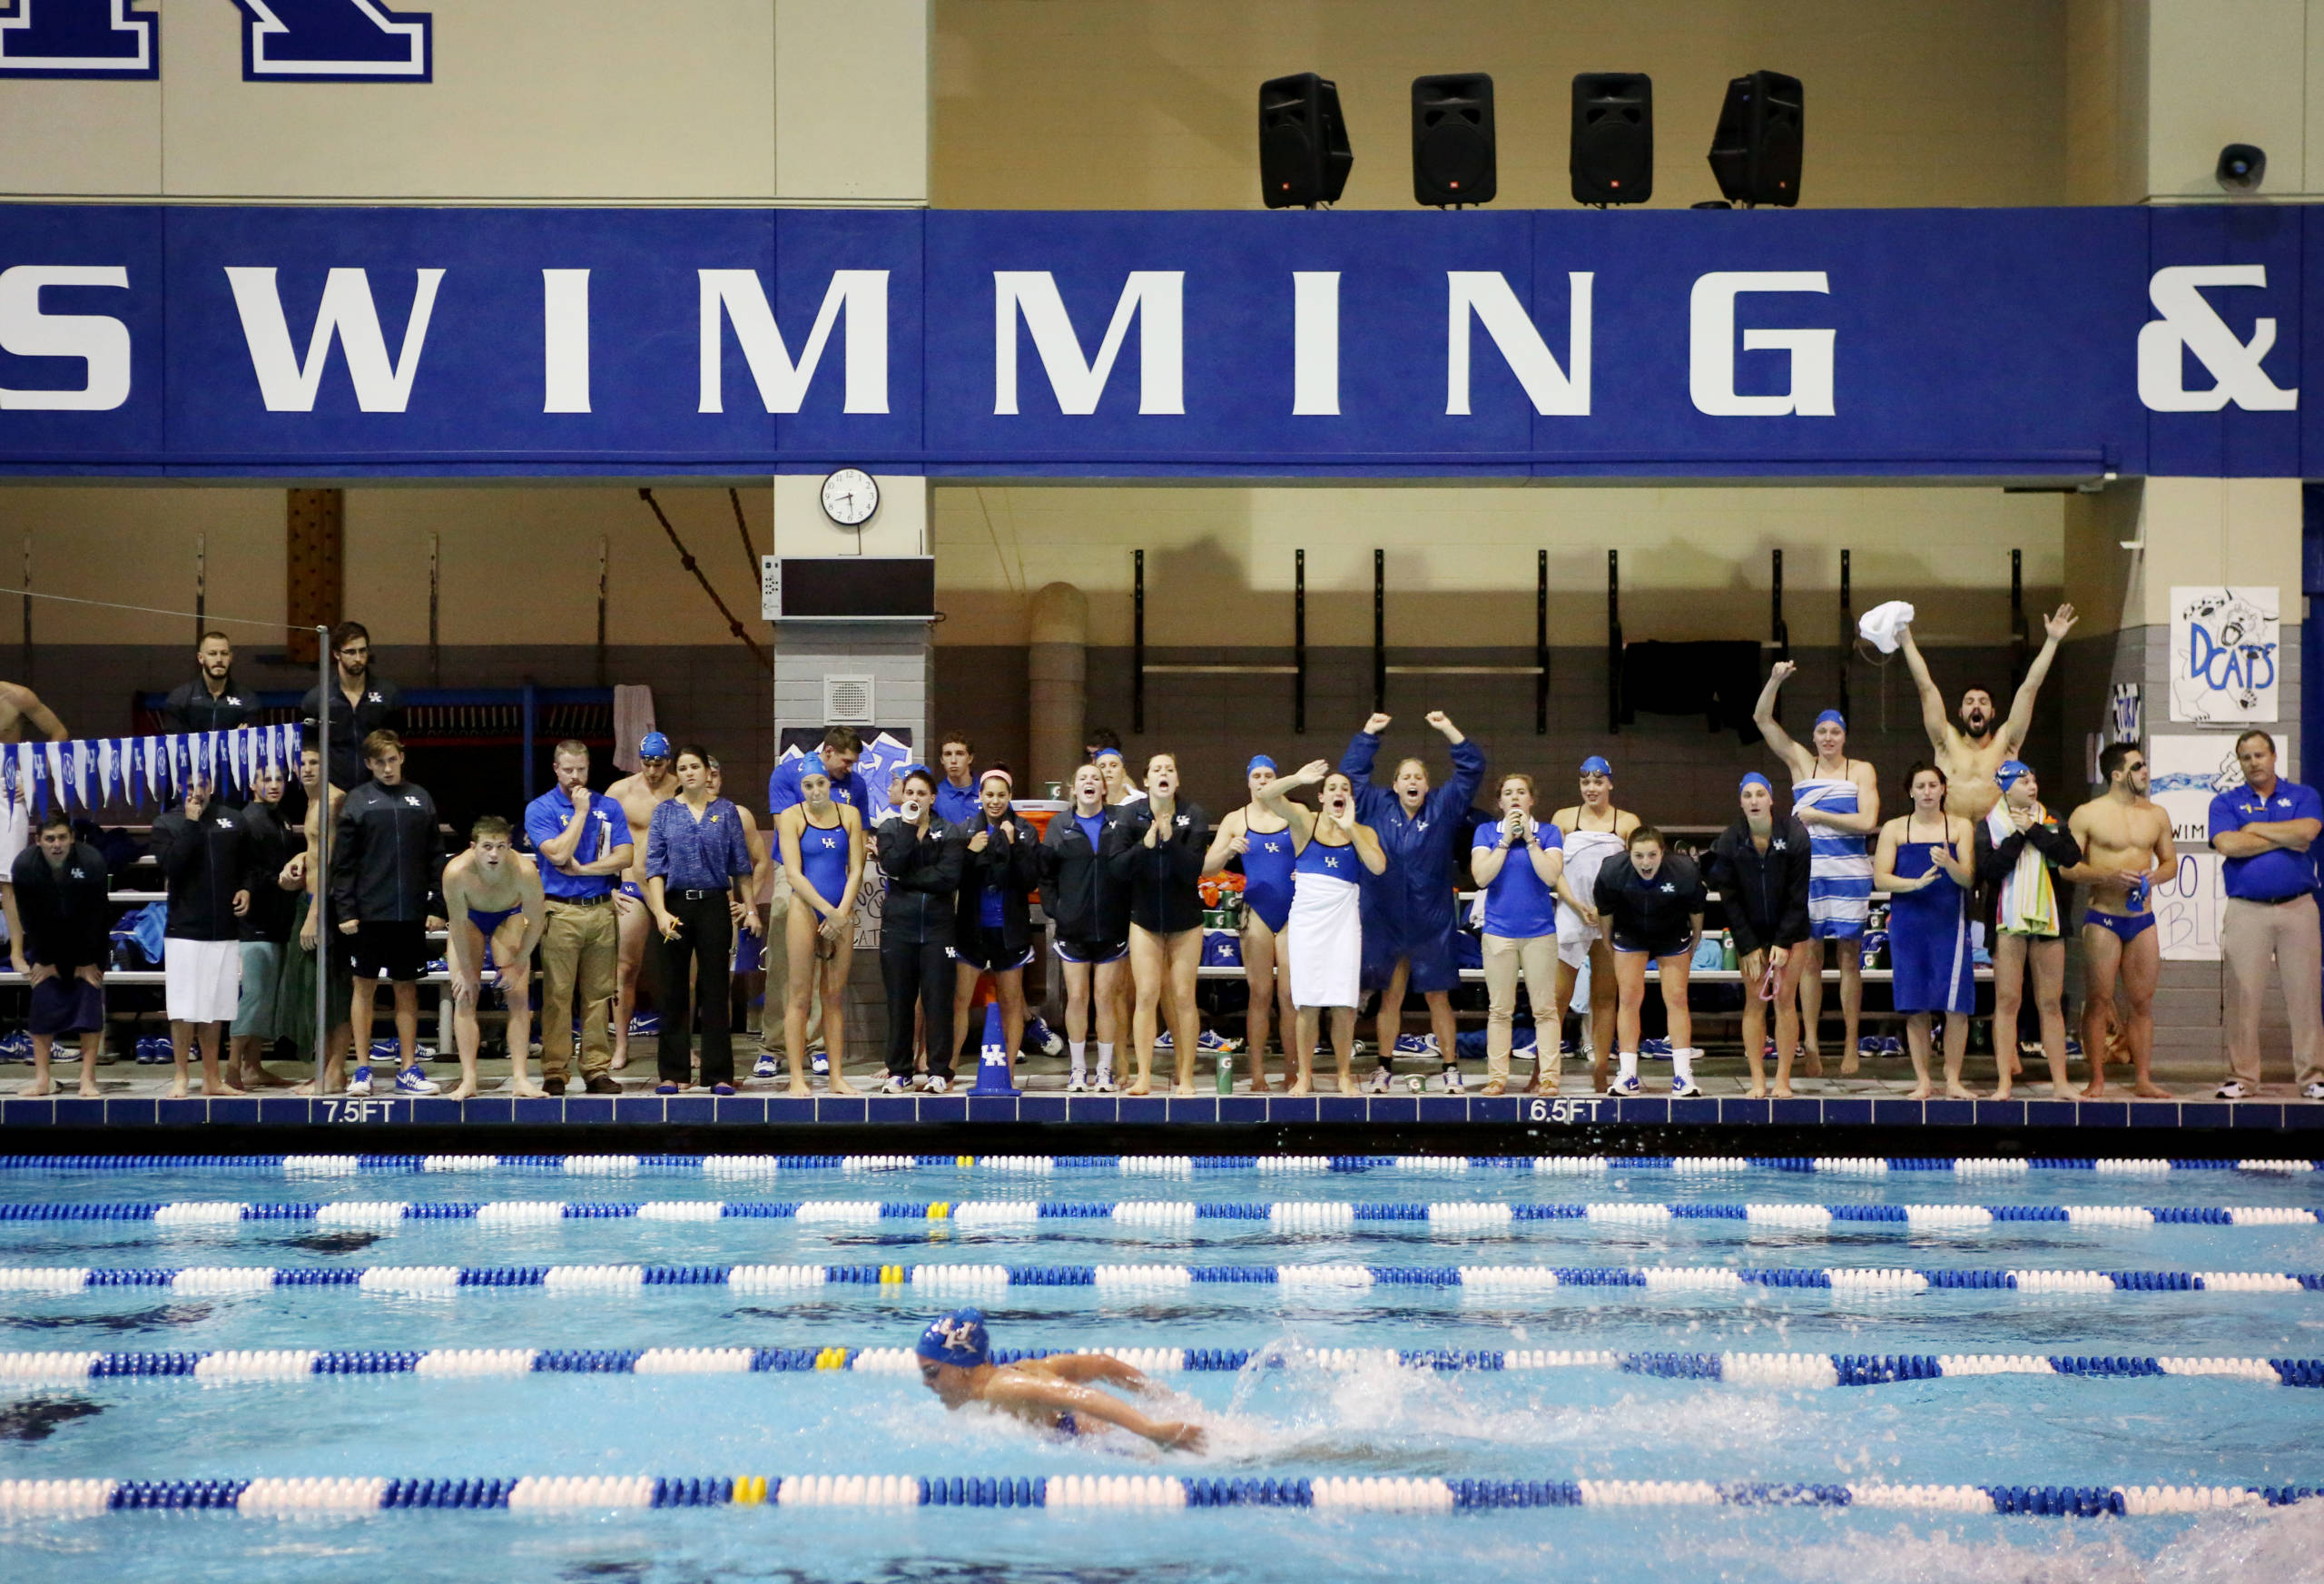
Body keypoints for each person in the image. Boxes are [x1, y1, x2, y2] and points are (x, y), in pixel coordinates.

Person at [1341, 710, 1485, 1093]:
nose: (1412, 781)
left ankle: (1451, 1068)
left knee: (1439, 998)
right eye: (1405, 776)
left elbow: (1473, 768)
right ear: (1394, 785)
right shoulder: (1374, 805)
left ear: (1427, 785)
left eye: (1418, 777)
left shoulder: (1443, 807)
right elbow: (1350, 778)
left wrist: (1447, 729)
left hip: (1430, 921)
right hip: (1384, 919)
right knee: (1391, 997)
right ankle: (1383, 1067)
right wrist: (1369, 734)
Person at [1752, 664, 1879, 1076]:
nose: (1828, 738)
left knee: (1849, 959)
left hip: (1848, 872)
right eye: (1822, 731)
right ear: (1814, 737)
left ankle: (1849, 1045)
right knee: (1808, 960)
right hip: (1807, 873)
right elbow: (1761, 719)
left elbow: (1866, 823)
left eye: (1836, 732)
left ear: (1844, 737)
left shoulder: (1860, 770)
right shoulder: (1801, 764)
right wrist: (1774, 680)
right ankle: (1809, 1042)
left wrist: (1816, 813)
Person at [1253, 760, 1386, 1096]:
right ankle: (1305, 1075)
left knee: (1343, 1002)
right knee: (1308, 1002)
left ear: (1350, 799)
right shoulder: (1305, 821)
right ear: (1322, 797)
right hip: (1308, 920)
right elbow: (1267, 795)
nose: (1339, 792)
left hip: (1343, 918)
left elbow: (1378, 867)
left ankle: (1344, 1074)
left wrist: (1351, 827)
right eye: (1332, 788)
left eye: (1345, 789)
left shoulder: (1364, 832)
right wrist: (1297, 776)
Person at [2209, 730, 2324, 1100]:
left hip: (2298, 907)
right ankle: (2242, 1077)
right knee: (2243, 995)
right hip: (2246, 910)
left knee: (2305, 995)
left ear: (2274, 757)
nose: (2253, 762)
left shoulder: (2303, 795)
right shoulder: (2225, 802)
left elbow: (2307, 832)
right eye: (2246, 757)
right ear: (2238, 762)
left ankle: (2313, 1077)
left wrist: (2255, 829)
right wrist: (2284, 836)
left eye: (2260, 755)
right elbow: (2227, 843)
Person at [913, 1309, 1205, 1451]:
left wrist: (1152, 1430)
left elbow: (1081, 1397)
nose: (927, 1384)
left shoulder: (1003, 1388)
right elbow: (1102, 1364)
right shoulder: (1019, 1369)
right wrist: (1167, 1401)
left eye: (932, 1372)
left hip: (1115, 1445)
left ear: (962, 1366)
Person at [330, 730, 443, 1098]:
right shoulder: (357, 802)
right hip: (367, 914)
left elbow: (435, 858)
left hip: (409, 913)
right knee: (363, 988)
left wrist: (436, 905)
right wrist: (346, 910)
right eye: (380, 762)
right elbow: (342, 864)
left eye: (392, 760)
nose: (387, 767)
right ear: (368, 764)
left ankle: (408, 1068)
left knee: (406, 990)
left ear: (402, 758)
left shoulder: (420, 798)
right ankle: (362, 1069)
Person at [646, 746, 759, 1096]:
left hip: (714, 903)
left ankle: (718, 1074)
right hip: (675, 905)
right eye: (683, 767)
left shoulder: (725, 812)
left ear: (708, 772)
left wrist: (751, 909)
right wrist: (660, 912)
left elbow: (741, 866)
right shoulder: (664, 813)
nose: (689, 772)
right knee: (674, 989)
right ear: (676, 774)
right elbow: (654, 867)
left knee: (715, 990)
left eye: (695, 766)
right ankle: (674, 1073)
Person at [2065, 743, 2175, 1099]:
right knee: (2098, 999)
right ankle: (2096, 1078)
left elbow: (2169, 861)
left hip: (2142, 919)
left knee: (2142, 1002)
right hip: (2104, 918)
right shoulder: (2087, 814)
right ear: (2117, 774)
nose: (2145, 772)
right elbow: (2067, 868)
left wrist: (2156, 877)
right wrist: (2106, 876)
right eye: (2138, 766)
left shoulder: (2157, 814)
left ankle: (2142, 1078)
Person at [523, 740, 633, 1097]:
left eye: (581, 770)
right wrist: (581, 813)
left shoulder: (610, 806)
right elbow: (555, 854)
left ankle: (595, 1069)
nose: (575, 777)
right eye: (568, 770)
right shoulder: (541, 808)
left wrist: (585, 870)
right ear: (556, 769)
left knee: (599, 996)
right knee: (557, 995)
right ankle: (555, 1070)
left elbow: (625, 855)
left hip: (601, 910)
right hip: (560, 911)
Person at [1897, 605, 2076, 821]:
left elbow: (2030, 687)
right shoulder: (1945, 741)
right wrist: (1906, 640)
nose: (1976, 706)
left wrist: (2052, 641)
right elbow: (1925, 687)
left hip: (1995, 839)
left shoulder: (2007, 742)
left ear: (1992, 713)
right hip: (1954, 833)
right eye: (1969, 702)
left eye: (1983, 702)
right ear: (1960, 712)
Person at [1974, 760, 2081, 1099]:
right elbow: (1990, 870)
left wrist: (2034, 829)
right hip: (2008, 920)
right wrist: (2018, 835)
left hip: (2048, 918)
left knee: (2050, 1001)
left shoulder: (2051, 819)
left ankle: (2060, 1082)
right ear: (2005, 787)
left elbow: (2071, 856)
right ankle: (2004, 1080)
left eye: (2033, 780)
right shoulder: (1988, 825)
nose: (2032, 787)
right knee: (2007, 1000)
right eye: (2023, 782)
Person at [1874, 763, 1980, 1101]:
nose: (1927, 792)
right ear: (1911, 792)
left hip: (1948, 923)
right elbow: (1880, 878)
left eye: (1933, 785)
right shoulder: (1894, 829)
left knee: (1955, 1007)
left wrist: (1950, 864)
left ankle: (1953, 1079)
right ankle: (1923, 1080)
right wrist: (1914, 883)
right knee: (1915, 1005)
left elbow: (1969, 879)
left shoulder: (1960, 827)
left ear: (1944, 789)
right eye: (1920, 786)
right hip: (1909, 923)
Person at [1707, 774, 1813, 1098]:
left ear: (1771, 800)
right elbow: (1729, 898)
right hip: (1750, 931)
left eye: (1760, 794)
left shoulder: (1794, 834)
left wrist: (1783, 941)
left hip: (1791, 930)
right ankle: (1757, 1079)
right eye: (1748, 795)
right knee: (1754, 1002)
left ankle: (1782, 1079)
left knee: (1784, 1001)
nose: (1754, 800)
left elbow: (1799, 895)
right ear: (1740, 802)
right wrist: (1749, 945)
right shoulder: (1730, 840)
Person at [1109, 752, 1206, 1096]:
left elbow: (1194, 868)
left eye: (1170, 769)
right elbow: (1117, 868)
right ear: (1147, 781)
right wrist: (1146, 844)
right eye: (1156, 769)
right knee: (1147, 994)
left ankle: (1187, 1076)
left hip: (1186, 921)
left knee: (1183, 996)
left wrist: (1170, 839)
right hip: (1145, 919)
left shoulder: (1193, 815)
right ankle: (1144, 1075)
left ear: (1176, 781)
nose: (1164, 773)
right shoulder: (1129, 815)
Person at [1202, 755, 1298, 1089]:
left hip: (1291, 914)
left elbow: (1317, 848)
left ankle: (1292, 1071)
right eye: (1256, 775)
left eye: (1268, 775)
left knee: (1289, 997)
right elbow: (1208, 868)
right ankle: (1257, 1074)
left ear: (1277, 779)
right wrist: (1228, 849)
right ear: (1248, 781)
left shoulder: (1292, 813)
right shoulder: (1235, 819)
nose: (1262, 780)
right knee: (1259, 995)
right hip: (1257, 911)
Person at [152, 773, 251, 1099]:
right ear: (181, 788)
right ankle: (181, 1076)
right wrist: (192, 825)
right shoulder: (167, 823)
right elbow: (171, 866)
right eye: (191, 785)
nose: (198, 791)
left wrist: (247, 888)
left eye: (204, 784)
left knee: (215, 1007)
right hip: (185, 929)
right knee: (183, 1008)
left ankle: (212, 1078)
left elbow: (248, 863)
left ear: (212, 786)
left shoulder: (233, 820)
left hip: (223, 928)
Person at [1469, 772, 1566, 1097]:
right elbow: (1482, 877)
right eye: (1508, 793)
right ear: (1499, 802)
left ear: (1531, 799)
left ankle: (1549, 1078)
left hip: (1540, 933)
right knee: (1500, 1009)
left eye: (1521, 792)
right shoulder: (1486, 832)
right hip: (1499, 933)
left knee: (1545, 1009)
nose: (1514, 798)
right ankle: (1497, 1078)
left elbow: (1550, 874)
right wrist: (1506, 841)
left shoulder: (1549, 832)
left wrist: (1530, 839)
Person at [1594, 826, 1708, 1097]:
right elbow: (1605, 912)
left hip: (1671, 932)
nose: (1646, 863)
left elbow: (1697, 911)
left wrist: (1696, 940)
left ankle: (1683, 1075)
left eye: (1652, 855)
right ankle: (1628, 1074)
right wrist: (1609, 943)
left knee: (1677, 997)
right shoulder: (1612, 870)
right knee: (1629, 999)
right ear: (1628, 853)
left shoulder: (1684, 871)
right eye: (1639, 856)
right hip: (1630, 932)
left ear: (1662, 852)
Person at [1549, 757, 1640, 1093]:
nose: (1592, 788)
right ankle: (1547, 1070)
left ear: (1610, 784)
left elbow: (1637, 870)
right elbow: (1551, 867)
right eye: (1586, 782)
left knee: (1605, 998)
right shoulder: (1563, 819)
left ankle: (1601, 1068)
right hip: (1571, 911)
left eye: (1598, 782)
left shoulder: (1626, 822)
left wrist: (1607, 910)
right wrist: (1574, 903)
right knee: (1557, 998)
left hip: (1608, 917)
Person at [439, 816, 547, 1102]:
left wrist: (518, 964)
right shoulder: (455, 872)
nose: (494, 854)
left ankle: (521, 1078)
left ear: (510, 847)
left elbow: (536, 922)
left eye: (501, 847)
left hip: (509, 915)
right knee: (464, 994)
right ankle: (469, 1079)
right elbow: (458, 924)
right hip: (470, 921)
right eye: (487, 847)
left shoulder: (524, 871)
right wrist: (465, 971)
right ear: (473, 847)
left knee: (519, 996)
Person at [773, 758, 862, 1097]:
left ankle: (836, 1076)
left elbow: (855, 869)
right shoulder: (792, 817)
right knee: (799, 996)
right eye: (808, 786)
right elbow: (794, 873)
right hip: (805, 908)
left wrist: (840, 914)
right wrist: (827, 911)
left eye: (820, 784)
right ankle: (798, 1077)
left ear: (829, 784)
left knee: (834, 997)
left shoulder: (848, 815)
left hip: (841, 910)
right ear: (801, 789)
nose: (815, 791)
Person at [1040, 763, 1128, 1093]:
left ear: (1104, 788)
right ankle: (1078, 1069)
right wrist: (1057, 911)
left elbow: (1131, 868)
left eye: (1096, 778)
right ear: (1073, 790)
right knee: (1077, 997)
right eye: (1082, 779)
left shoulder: (1120, 823)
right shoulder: (1059, 825)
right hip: (1072, 928)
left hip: (1112, 927)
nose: (1089, 782)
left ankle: (1103, 1070)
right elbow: (1046, 874)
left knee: (1105, 997)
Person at [877, 767, 964, 1096]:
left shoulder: (950, 832)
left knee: (938, 1001)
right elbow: (894, 864)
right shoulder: (891, 828)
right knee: (899, 1001)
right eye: (910, 793)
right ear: (904, 797)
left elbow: (948, 879)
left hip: (939, 929)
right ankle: (899, 1071)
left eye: (921, 794)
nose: (915, 799)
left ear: (932, 798)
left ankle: (939, 1070)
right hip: (899, 928)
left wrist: (907, 879)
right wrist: (909, 831)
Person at [950, 769, 1039, 1087]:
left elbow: (1030, 880)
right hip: (972, 928)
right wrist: (970, 853)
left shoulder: (1025, 831)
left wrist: (1014, 846)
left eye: (1001, 795)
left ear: (1010, 796)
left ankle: (1009, 1072)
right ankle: (949, 1068)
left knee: (1011, 1001)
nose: (995, 801)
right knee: (960, 1000)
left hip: (1009, 929)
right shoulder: (965, 831)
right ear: (980, 796)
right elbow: (954, 878)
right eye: (989, 794)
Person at [9, 812, 108, 1097]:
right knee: (42, 1009)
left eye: (63, 837)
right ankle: (42, 1079)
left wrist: (85, 963)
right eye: (50, 839)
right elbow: (30, 919)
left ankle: (87, 1079)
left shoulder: (91, 862)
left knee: (89, 1008)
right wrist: (47, 961)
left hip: (88, 946)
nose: (57, 844)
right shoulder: (26, 866)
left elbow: (96, 916)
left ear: (72, 839)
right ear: (38, 840)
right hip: (47, 946)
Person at [606, 732, 678, 1071]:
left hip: (672, 887)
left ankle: (680, 1046)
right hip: (633, 886)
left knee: (682, 974)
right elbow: (599, 842)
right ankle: (620, 1045)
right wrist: (607, 885)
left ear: (669, 761)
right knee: (625, 969)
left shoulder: (681, 788)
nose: (652, 771)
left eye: (658, 764)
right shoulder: (620, 792)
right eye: (646, 763)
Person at [281, 746, 352, 1093]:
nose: (308, 769)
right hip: (312, 900)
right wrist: (296, 860)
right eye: (303, 763)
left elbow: (332, 861)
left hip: (326, 906)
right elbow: (315, 852)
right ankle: (326, 1068)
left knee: (334, 991)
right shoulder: (311, 802)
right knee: (315, 992)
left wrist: (314, 914)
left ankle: (336, 1071)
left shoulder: (332, 801)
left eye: (315, 763)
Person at [228, 761, 300, 1091]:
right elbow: (246, 871)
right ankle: (232, 1067)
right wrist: (281, 881)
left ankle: (253, 1066)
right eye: (266, 779)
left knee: (267, 997)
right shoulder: (248, 820)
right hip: (254, 921)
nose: (274, 784)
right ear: (252, 784)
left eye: (279, 778)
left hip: (277, 918)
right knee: (254, 995)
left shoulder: (280, 818)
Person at [707, 757, 780, 1076]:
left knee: (721, 981)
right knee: (690, 983)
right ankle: (688, 1052)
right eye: (702, 773)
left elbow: (760, 862)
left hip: (723, 908)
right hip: (683, 906)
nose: (708, 780)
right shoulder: (674, 811)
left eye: (714, 774)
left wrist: (748, 905)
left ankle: (718, 1053)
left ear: (721, 778)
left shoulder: (737, 815)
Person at [0, 679, 68, 982]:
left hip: (7, 784)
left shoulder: (18, 697)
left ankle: (16, 949)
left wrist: (35, 779)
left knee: (9, 879)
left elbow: (59, 733)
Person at [298, 621, 404, 792]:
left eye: (363, 651)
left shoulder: (388, 695)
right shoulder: (316, 699)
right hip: (332, 791)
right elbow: (308, 751)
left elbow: (398, 746)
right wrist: (320, 789)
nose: (358, 658)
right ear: (336, 654)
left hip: (379, 789)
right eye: (350, 652)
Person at [162, 631, 258, 733]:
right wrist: (233, 738)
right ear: (200, 658)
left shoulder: (248, 699)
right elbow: (176, 743)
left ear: (230, 657)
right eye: (212, 654)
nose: (219, 659)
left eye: (224, 653)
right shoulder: (179, 699)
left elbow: (248, 743)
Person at [768, 725, 873, 817]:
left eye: (853, 763)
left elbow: (862, 831)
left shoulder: (857, 783)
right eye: (847, 761)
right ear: (829, 751)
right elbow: (784, 828)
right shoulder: (786, 774)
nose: (850, 769)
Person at [933, 731, 982, 826]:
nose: (953, 760)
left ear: (970, 758)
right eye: (948, 754)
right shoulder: (935, 797)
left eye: (960, 754)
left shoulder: (988, 791)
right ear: (942, 759)